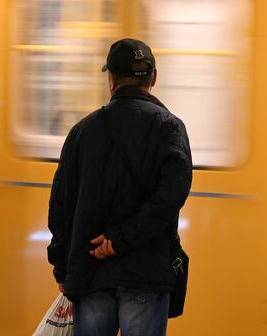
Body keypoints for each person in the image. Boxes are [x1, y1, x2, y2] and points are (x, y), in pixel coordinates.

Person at [47, 38, 193, 336]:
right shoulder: (170, 128)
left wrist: (62, 266)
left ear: (111, 79)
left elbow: (60, 204)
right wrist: (119, 241)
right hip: (145, 272)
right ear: (153, 78)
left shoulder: (82, 132)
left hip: (91, 272)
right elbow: (170, 198)